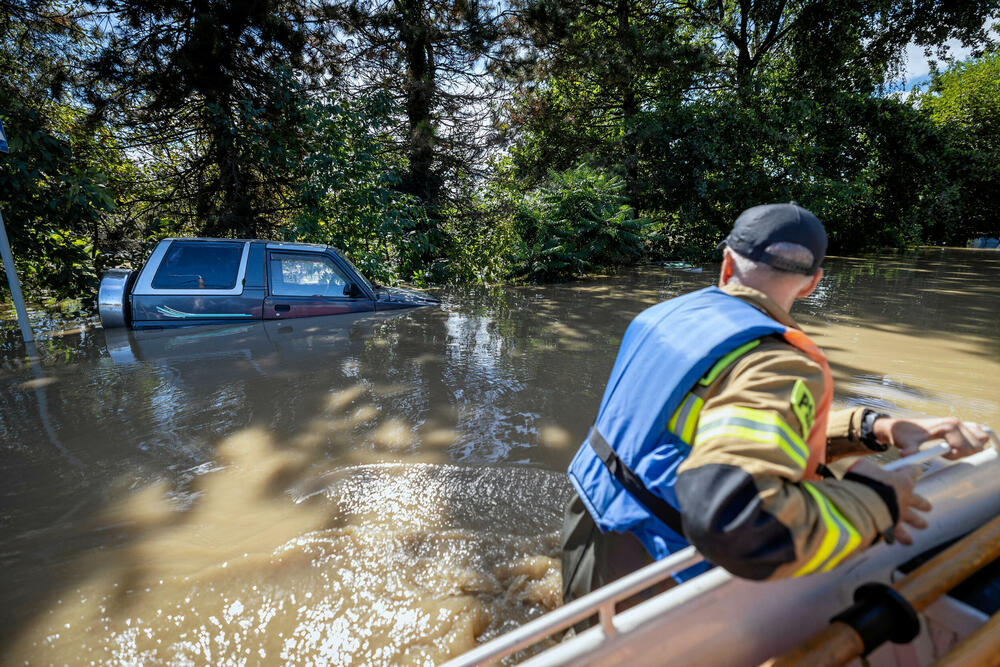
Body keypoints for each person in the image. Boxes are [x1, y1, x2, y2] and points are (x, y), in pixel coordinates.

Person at [562, 202, 990, 603]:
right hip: (659, 574)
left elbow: (691, 423)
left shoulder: (663, 318)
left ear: (727, 263)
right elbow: (743, 524)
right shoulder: (777, 364)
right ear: (812, 283)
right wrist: (880, 502)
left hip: (590, 530)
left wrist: (872, 428)